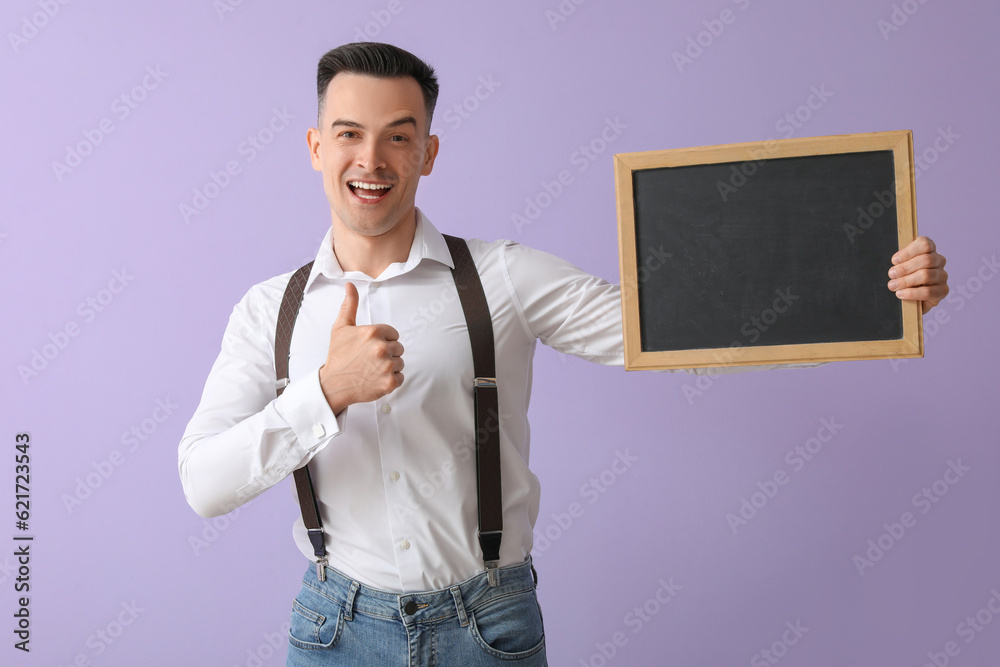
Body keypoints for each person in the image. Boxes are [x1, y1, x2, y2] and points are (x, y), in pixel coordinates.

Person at [177, 42, 949, 666]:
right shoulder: (267, 312)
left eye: (398, 135)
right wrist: (324, 391)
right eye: (349, 133)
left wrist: (877, 291)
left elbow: (683, 329)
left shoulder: (503, 277)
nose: (371, 158)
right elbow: (204, 484)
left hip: (488, 626)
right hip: (334, 631)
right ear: (317, 147)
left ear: (429, 151)